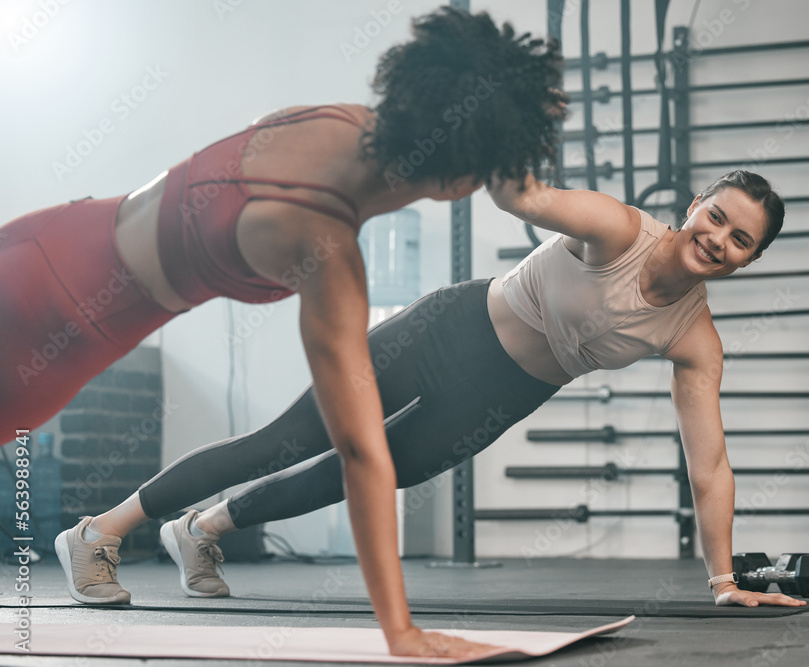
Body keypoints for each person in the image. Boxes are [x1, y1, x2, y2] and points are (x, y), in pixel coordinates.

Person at [2, 7, 565, 660]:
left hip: (42, 239)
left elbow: (469, 93)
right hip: (58, 331)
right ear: (463, 183)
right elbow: (362, 455)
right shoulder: (323, 247)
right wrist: (401, 632)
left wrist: (504, 103)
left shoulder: (336, 119)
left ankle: (94, 536)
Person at [64, 169, 801, 618]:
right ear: (697, 202)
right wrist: (500, 146)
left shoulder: (694, 339)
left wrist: (724, 578)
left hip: (502, 395)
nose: (719, 238)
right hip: (444, 332)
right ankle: (100, 530)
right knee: (287, 439)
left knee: (363, 471)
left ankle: (203, 529)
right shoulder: (618, 229)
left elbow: (709, 467)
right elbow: (531, 197)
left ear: (750, 260)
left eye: (740, 240)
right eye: (718, 216)